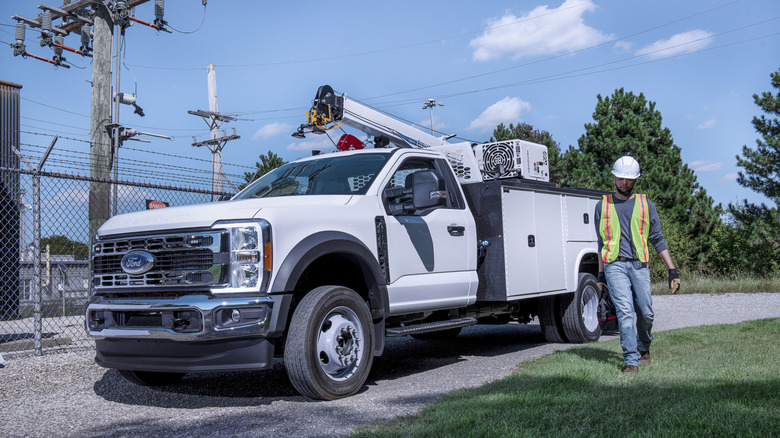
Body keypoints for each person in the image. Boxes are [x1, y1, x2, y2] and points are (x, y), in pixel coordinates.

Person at [594, 156, 681, 374]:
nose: (624, 182)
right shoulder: (602, 205)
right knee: (625, 312)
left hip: (640, 265)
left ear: (635, 180)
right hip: (614, 265)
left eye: (629, 179)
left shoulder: (645, 204)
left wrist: (672, 269)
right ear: (614, 177)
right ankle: (631, 360)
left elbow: (657, 239)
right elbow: (601, 243)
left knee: (646, 312)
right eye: (621, 178)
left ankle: (644, 347)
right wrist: (600, 275)